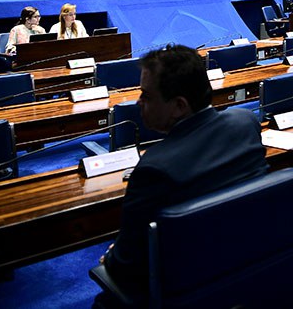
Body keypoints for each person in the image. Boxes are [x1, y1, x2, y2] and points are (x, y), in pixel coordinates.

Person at [99, 45, 268, 298]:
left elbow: (125, 264)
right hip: (251, 272)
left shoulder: (153, 168)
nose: (138, 102)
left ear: (179, 106)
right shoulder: (245, 123)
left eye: (146, 95)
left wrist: (112, 256)